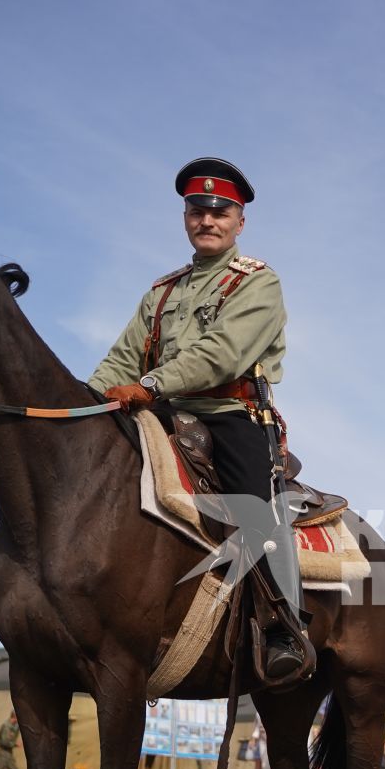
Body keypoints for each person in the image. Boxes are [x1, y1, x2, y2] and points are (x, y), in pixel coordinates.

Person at [87, 156, 311, 685]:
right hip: (161, 410)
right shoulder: (162, 292)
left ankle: (284, 624)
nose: (207, 220)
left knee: (256, 509)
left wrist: (149, 385)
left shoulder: (257, 282)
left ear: (239, 221)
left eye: (220, 211)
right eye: (197, 210)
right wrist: (87, 404)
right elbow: (123, 359)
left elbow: (223, 352)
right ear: (186, 216)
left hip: (231, 413)